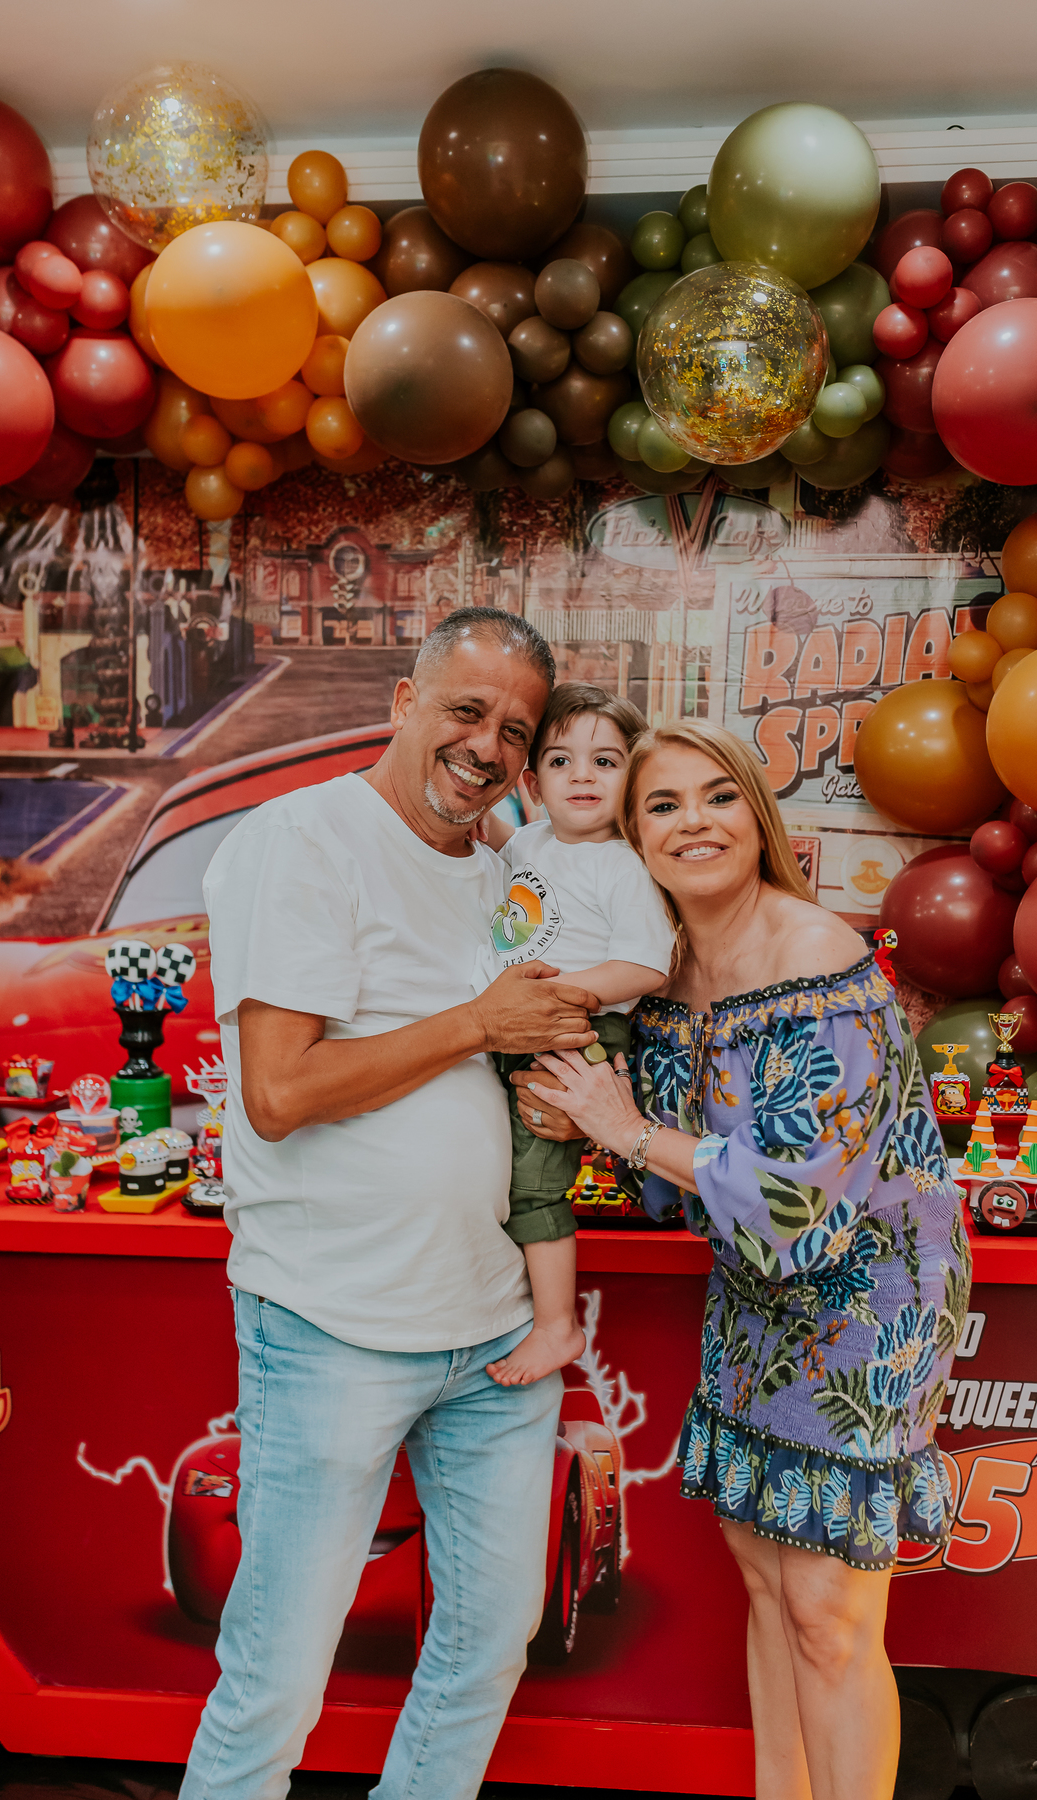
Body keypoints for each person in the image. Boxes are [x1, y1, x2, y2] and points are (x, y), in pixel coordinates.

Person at [181, 608, 601, 1800]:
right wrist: (481, 1025)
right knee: (277, 1677)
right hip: (333, 1328)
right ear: (404, 702)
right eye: (467, 711)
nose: (489, 746)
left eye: (516, 731)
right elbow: (278, 1093)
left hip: (494, 1339)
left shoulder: (508, 871)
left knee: (485, 1647)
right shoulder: (303, 838)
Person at [514, 720, 971, 1800]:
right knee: (770, 1591)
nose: (693, 824)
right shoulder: (664, 973)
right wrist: (590, 1119)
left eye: (717, 797)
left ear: (756, 817)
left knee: (830, 1611)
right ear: (632, 837)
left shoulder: (815, 952)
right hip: (755, 1300)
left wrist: (622, 1128)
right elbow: (674, 1182)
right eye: (661, 806)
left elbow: (804, 1210)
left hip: (869, 1299)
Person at [478, 683, 674, 1387]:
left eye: (605, 761)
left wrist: (560, 997)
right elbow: (509, 850)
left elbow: (648, 964)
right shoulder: (528, 839)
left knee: (535, 1183)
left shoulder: (624, 863)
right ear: (532, 783)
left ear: (634, 777)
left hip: (574, 1031)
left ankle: (558, 1325)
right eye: (561, 762)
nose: (582, 776)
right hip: (513, 1026)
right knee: (493, 1169)